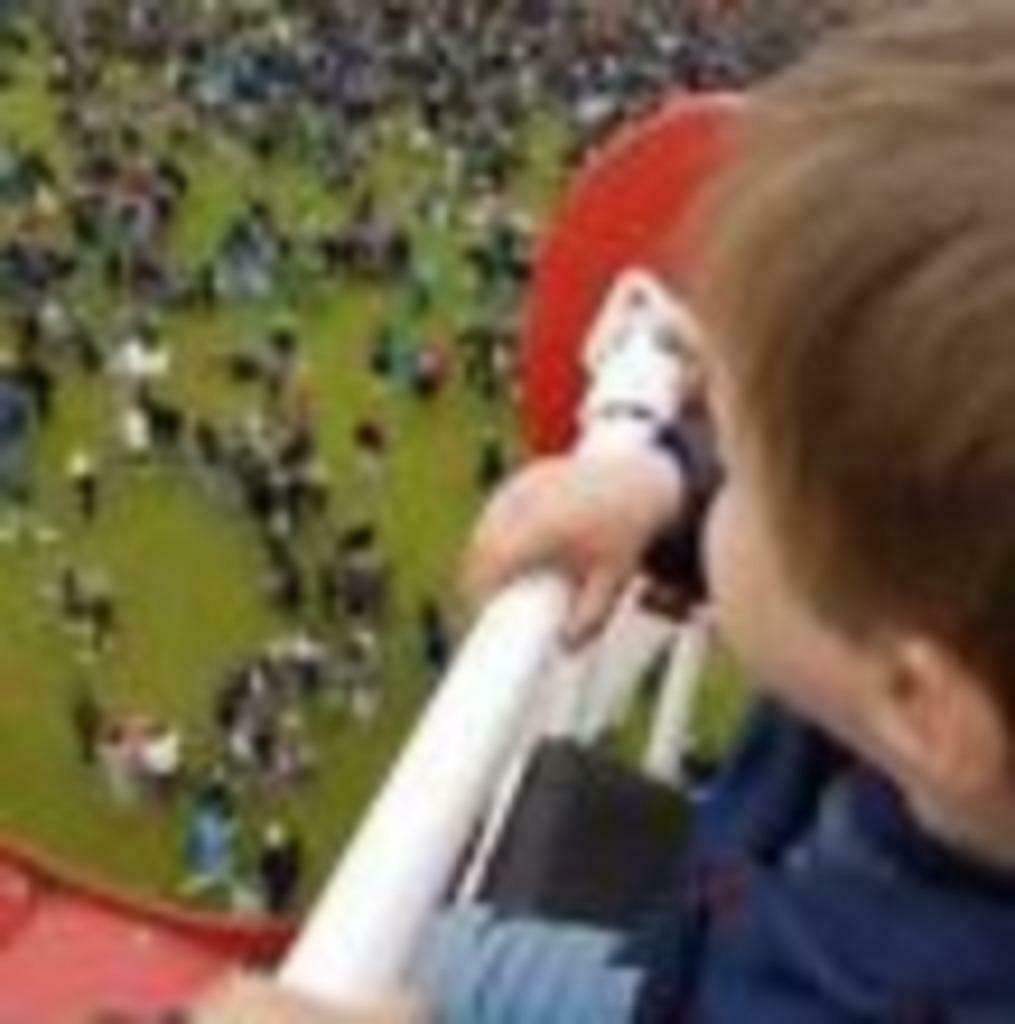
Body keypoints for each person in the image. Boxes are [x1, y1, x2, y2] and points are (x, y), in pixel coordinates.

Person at [416, 4, 1015, 1021]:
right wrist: (667, 495)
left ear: (918, 702)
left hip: (692, 983)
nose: (704, 461)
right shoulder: (957, 665)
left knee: (376, 964)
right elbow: (854, 550)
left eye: (728, 465)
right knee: (436, 958)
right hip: (698, 946)